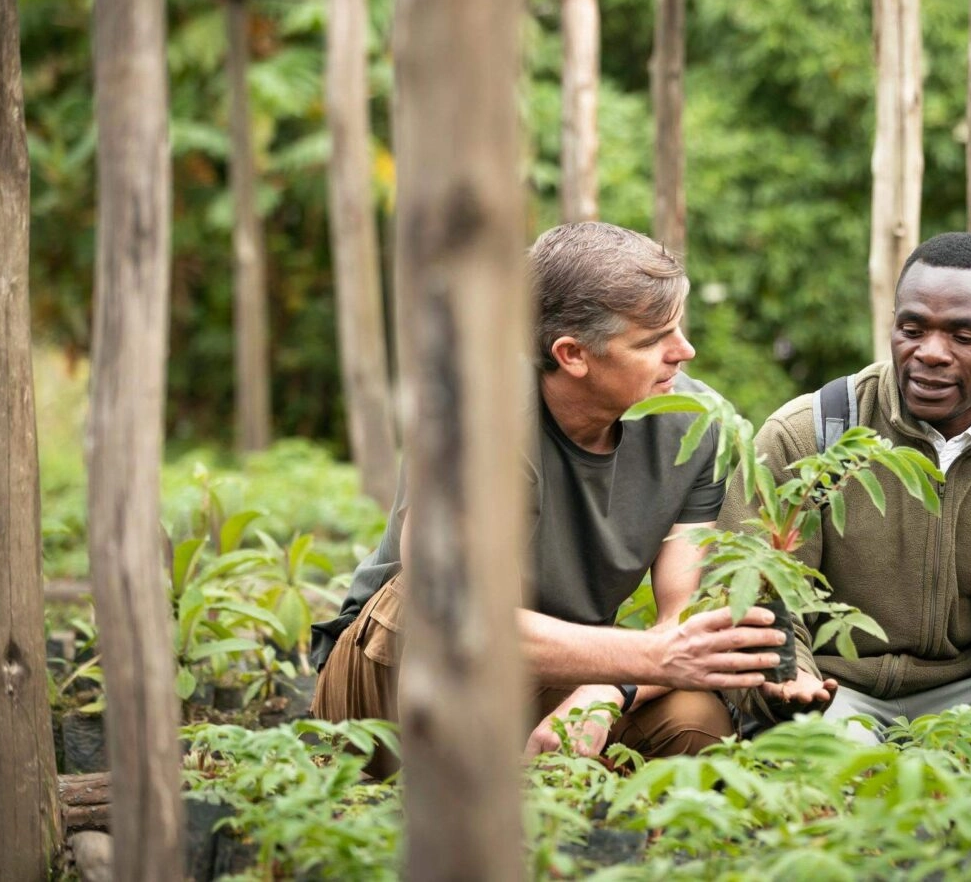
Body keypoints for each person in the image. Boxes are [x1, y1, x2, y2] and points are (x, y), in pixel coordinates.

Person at [309, 222, 786, 775]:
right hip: (404, 666)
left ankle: (593, 838)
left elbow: (682, 619)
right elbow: (459, 616)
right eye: (653, 340)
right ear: (572, 354)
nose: (685, 352)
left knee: (696, 718)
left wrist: (612, 691)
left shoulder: (699, 425)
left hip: (565, 663)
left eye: (678, 328)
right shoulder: (476, 409)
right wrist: (648, 657)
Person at [721, 232, 971, 751]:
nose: (930, 354)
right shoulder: (808, 435)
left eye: (963, 336)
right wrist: (789, 679)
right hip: (833, 683)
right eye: (912, 329)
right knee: (834, 758)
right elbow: (756, 590)